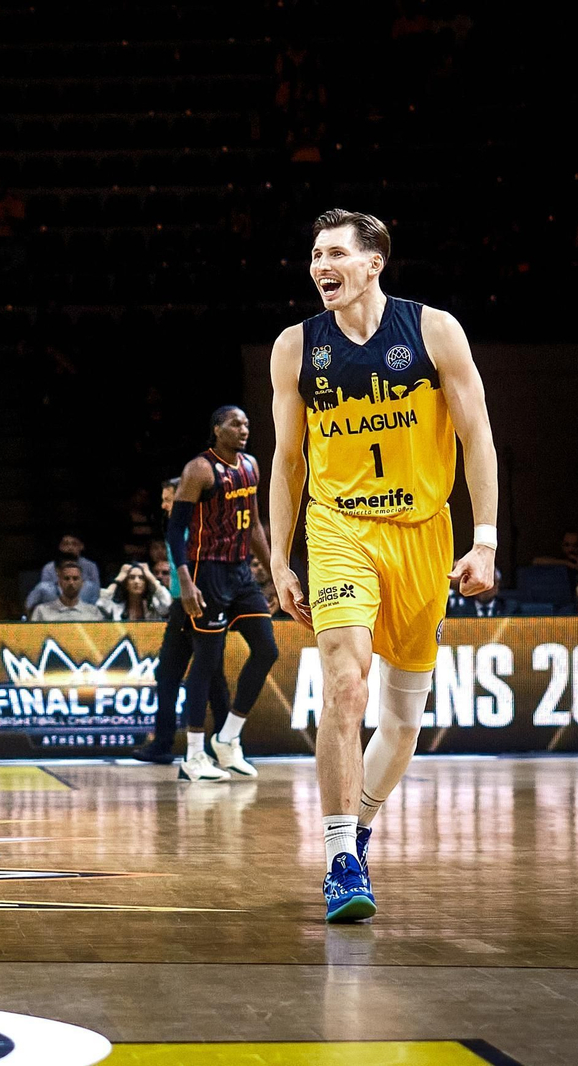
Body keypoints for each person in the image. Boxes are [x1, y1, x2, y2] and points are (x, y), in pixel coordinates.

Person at [269, 208, 498, 923]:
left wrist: (485, 538)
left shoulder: (434, 331)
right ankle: (340, 857)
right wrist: (278, 556)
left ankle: (361, 826)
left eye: (334, 253)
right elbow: (287, 461)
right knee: (344, 683)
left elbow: (477, 438)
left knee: (402, 723)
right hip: (340, 529)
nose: (319, 266)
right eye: (313, 255)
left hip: (423, 533)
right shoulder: (294, 347)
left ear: (374, 263)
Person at [167, 406, 281, 780]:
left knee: (267, 649)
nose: (243, 429)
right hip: (207, 570)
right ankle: (194, 755)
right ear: (217, 429)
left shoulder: (251, 465)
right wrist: (185, 579)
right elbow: (175, 530)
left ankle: (228, 738)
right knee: (206, 661)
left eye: (247, 423)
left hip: (241, 571)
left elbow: (255, 527)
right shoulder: (200, 469)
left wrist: (276, 573)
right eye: (235, 423)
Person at [131, 477, 233, 767]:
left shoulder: (204, 526)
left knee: (213, 677)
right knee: (167, 675)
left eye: (168, 498)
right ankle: (162, 744)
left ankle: (225, 744)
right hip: (180, 606)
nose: (163, 504)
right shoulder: (175, 526)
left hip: (204, 605)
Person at [25, 534, 101, 612]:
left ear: (81, 546)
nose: (70, 548)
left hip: (82, 606)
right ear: (60, 547)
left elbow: (96, 593)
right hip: (55, 606)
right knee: (43, 587)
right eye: (66, 544)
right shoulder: (49, 567)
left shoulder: (91, 566)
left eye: (74, 544)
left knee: (89, 586)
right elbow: (45, 593)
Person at [30, 561, 107, 622]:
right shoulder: (41, 611)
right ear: (59, 582)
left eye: (75, 578)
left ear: (82, 583)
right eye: (67, 578)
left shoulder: (94, 612)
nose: (71, 582)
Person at [98, 562, 171, 622]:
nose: (136, 581)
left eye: (141, 578)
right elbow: (101, 604)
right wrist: (118, 579)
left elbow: (168, 604)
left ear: (146, 583)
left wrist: (151, 578)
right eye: (132, 577)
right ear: (125, 583)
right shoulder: (116, 607)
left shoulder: (154, 606)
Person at [448, 563, 515, 617]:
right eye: (481, 583)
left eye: (491, 582)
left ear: (497, 586)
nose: (485, 587)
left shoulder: (510, 609)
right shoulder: (460, 612)